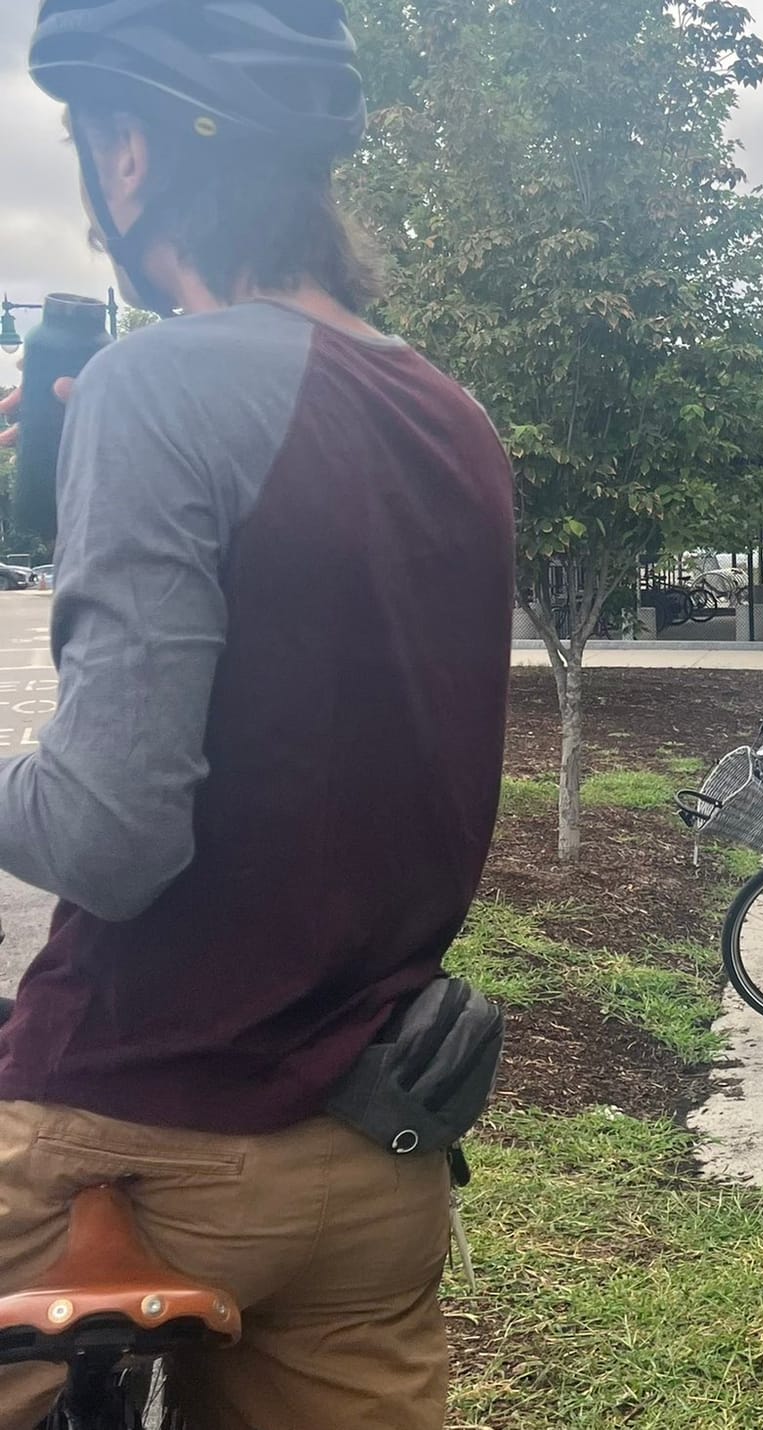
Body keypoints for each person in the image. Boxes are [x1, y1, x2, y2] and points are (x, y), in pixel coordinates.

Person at [0, 1, 515, 1425]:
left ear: (127, 154)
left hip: (131, 1126)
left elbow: (109, 835)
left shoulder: (153, 382)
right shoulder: (452, 416)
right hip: (370, 1157)